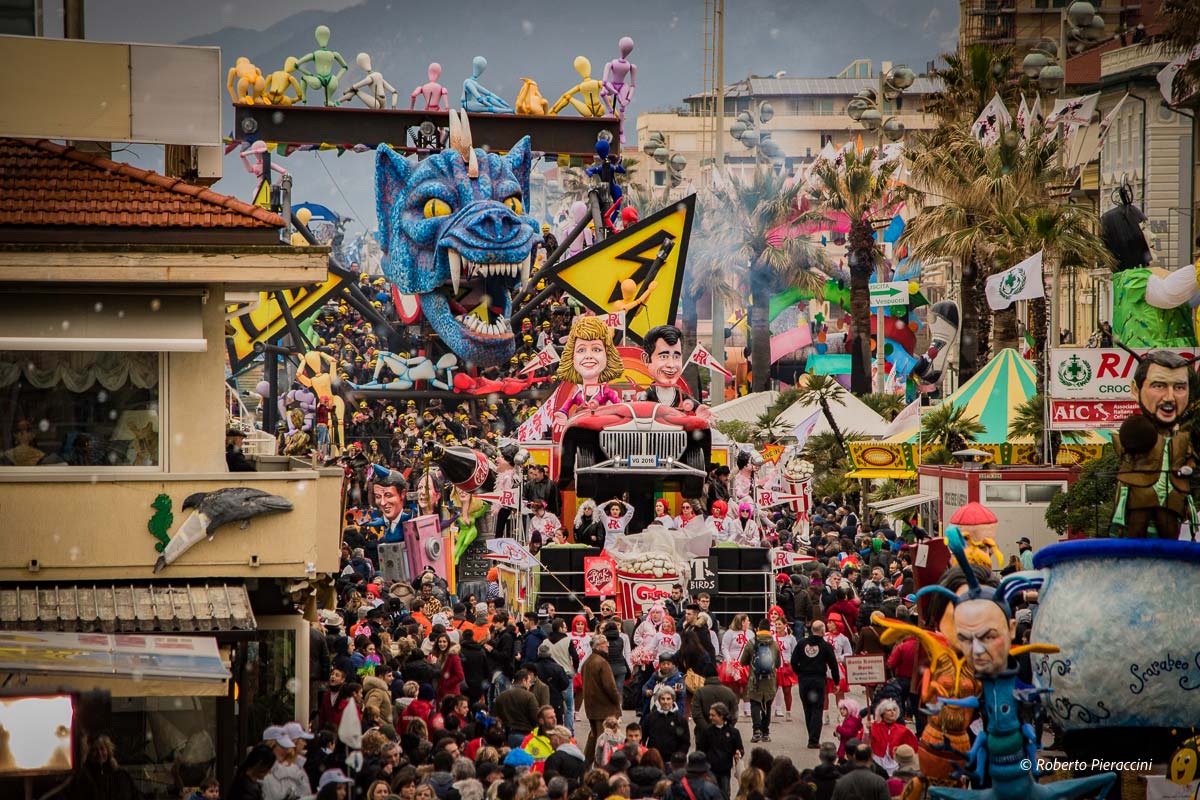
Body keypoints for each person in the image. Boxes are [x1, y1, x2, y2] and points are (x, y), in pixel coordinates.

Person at [791, 620, 840, 749]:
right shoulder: (825, 645)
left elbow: (793, 661)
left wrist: (800, 673)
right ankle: (813, 739)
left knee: (807, 708)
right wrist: (836, 681)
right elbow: (834, 665)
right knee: (817, 708)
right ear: (823, 631)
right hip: (818, 680)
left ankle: (811, 736)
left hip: (804, 680)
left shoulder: (801, 644)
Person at [581, 632, 622, 764]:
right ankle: (600, 768)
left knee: (593, 738)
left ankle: (585, 765)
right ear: (598, 646)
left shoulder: (588, 662)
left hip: (592, 707)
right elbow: (610, 686)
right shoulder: (602, 662)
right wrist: (617, 702)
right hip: (604, 708)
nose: (607, 646)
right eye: (605, 644)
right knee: (603, 741)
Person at [738, 619, 780, 743]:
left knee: (755, 704)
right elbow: (778, 664)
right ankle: (766, 732)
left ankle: (756, 731)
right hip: (770, 680)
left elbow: (742, 662)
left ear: (758, 629)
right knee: (767, 705)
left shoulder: (751, 643)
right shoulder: (774, 644)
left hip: (755, 679)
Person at [64, 734, 141, 800]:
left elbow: (136, 796)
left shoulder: (122, 775)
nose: (99, 753)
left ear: (108, 750)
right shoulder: (83, 778)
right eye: (94, 750)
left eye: (102, 748)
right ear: (87, 753)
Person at [695, 703, 742, 798]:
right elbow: (700, 750)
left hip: (725, 770)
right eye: (710, 715)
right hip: (710, 770)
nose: (710, 717)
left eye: (713, 715)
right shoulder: (707, 732)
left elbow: (739, 748)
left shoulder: (733, 732)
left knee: (724, 794)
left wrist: (738, 753)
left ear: (721, 716)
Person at [493, 669, 541, 748]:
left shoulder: (501, 697)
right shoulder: (529, 696)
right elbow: (535, 717)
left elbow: (496, 717)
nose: (530, 685)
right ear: (523, 680)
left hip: (507, 737)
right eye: (529, 682)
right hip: (525, 735)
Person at [642, 685, 690, 761]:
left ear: (673, 700)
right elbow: (643, 737)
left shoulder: (680, 720)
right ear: (659, 700)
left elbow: (685, 742)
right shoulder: (650, 718)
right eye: (663, 699)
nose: (665, 702)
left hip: (673, 761)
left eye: (668, 699)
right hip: (654, 759)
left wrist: (679, 756)